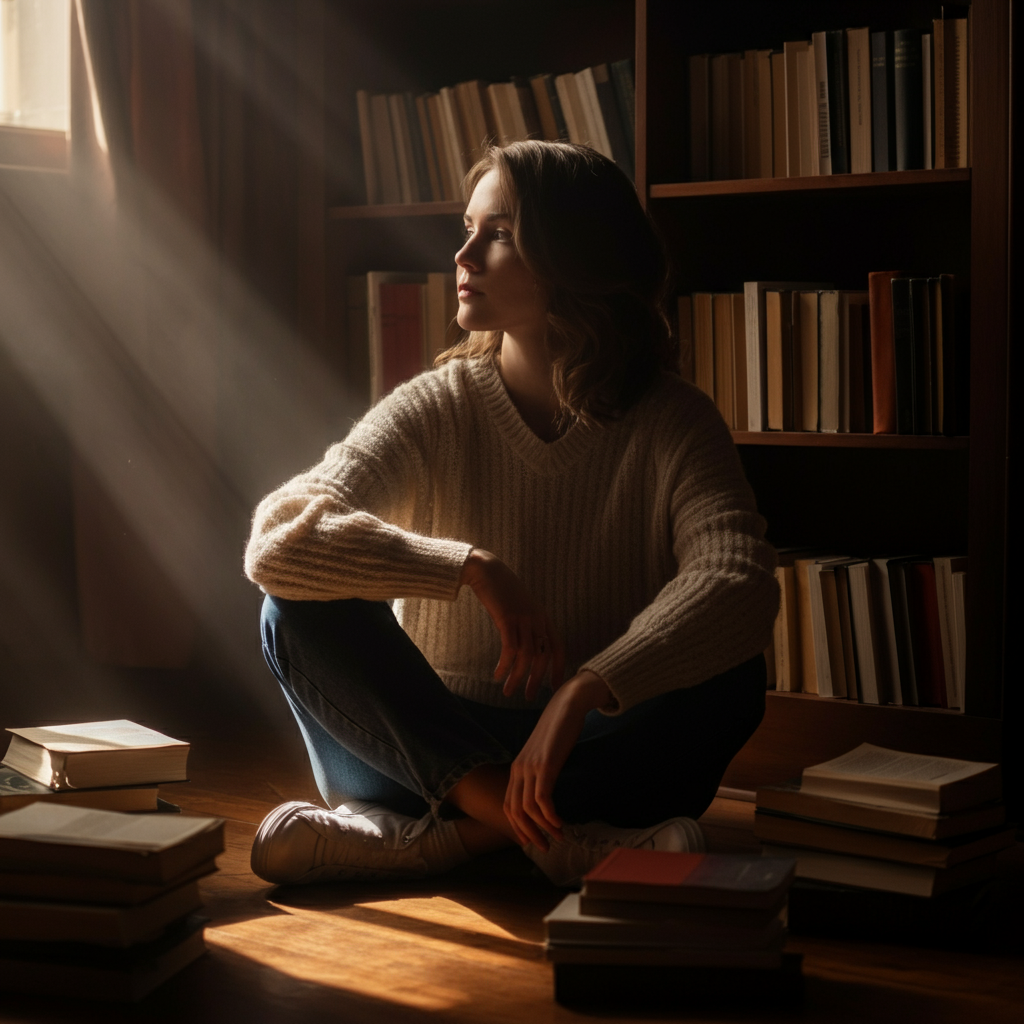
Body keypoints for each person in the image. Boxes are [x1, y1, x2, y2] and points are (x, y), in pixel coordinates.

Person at [244, 140, 778, 888]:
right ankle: (541, 831)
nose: (462, 256)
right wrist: (468, 566)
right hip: (419, 751)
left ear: (575, 257)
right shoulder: (434, 408)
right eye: (468, 229)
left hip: (586, 745)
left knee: (733, 673)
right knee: (290, 607)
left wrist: (588, 687)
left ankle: (435, 842)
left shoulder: (672, 420)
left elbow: (738, 576)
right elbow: (277, 542)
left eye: (498, 234)